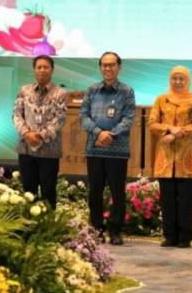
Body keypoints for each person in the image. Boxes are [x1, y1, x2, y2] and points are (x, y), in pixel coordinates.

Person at [80, 52, 136, 245]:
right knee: (95, 191)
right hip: (94, 149)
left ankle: (115, 231)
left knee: (117, 192)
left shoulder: (127, 92)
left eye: (111, 65)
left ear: (119, 67)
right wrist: (98, 132)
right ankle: (97, 229)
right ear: (100, 67)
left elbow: (128, 118)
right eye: (104, 65)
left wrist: (110, 134)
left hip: (117, 150)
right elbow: (83, 116)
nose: (108, 68)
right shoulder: (91, 90)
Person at [148, 66, 192, 248]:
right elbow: (152, 124)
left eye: (182, 78)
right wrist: (169, 128)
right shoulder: (161, 99)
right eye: (175, 78)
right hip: (166, 157)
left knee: (186, 199)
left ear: (188, 80)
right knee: (167, 200)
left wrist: (178, 133)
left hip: (188, 157)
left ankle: (185, 237)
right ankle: (169, 236)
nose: (178, 82)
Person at [12, 55, 67, 209]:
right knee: (28, 192)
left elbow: (59, 120)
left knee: (48, 191)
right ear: (34, 70)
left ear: (52, 70)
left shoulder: (60, 93)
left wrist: (40, 136)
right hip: (26, 149)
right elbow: (16, 115)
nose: (42, 70)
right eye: (39, 67)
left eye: (46, 67)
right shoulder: (24, 91)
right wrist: (26, 134)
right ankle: (29, 222)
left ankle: (48, 223)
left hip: (49, 151)